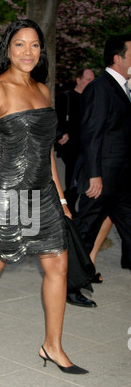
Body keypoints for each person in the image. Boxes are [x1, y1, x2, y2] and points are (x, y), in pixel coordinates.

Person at [0, 19, 89, 375]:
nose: (27, 52)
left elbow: (46, 153)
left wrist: (60, 199)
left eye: (34, 45)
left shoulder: (43, 90)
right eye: (19, 45)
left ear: (41, 51)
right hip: (5, 190)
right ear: (8, 49)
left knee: (57, 263)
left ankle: (52, 345)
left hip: (42, 191)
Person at [73, 34, 131, 299]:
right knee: (85, 233)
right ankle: (70, 287)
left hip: (121, 181)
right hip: (102, 180)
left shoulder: (124, 88)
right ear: (118, 58)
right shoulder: (100, 87)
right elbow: (91, 134)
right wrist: (94, 175)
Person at [55, 68, 95, 217]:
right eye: (88, 79)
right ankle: (68, 210)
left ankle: (66, 208)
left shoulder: (92, 100)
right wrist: (62, 133)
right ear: (79, 80)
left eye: (93, 79)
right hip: (70, 148)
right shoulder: (65, 98)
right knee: (74, 179)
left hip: (85, 147)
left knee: (77, 181)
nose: (91, 82)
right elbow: (56, 120)